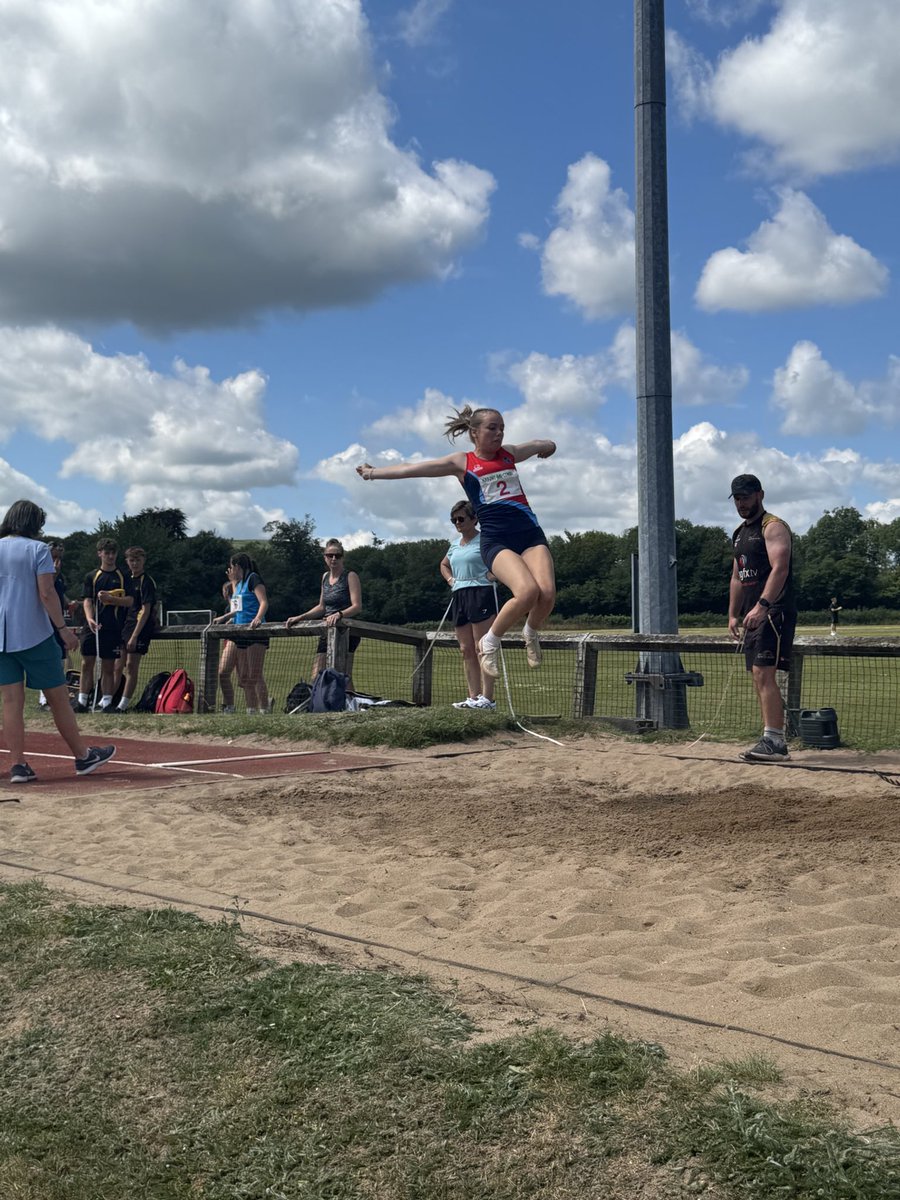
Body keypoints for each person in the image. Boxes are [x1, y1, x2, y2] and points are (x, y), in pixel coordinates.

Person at [357, 405, 556, 678]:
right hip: (497, 540)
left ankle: (530, 632)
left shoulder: (508, 454)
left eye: (502, 428)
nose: (499, 434)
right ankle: (489, 642)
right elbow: (412, 469)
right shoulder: (462, 462)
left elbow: (535, 444)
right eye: (492, 428)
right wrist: (372, 473)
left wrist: (549, 445)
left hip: (530, 534)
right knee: (527, 592)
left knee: (547, 594)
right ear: (474, 433)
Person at [0, 499, 115, 782]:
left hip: (1, 638)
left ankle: (18, 765)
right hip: (33, 634)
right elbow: (47, 593)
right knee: (59, 699)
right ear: (34, 523)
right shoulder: (38, 549)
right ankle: (82, 755)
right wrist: (63, 629)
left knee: (11, 702)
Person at [728, 474, 797, 763]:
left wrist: (764, 605)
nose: (742, 503)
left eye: (746, 496)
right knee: (757, 675)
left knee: (764, 673)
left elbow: (780, 567)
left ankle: (775, 742)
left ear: (760, 494)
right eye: (738, 498)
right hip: (753, 615)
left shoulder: (774, 527)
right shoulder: (739, 533)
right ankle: (769, 736)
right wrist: (733, 613)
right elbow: (737, 576)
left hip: (774, 611)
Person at [439, 500, 498, 710]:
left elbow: (504, 559)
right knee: (466, 649)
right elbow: (444, 564)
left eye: (461, 518)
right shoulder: (455, 544)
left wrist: (493, 574)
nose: (457, 523)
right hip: (459, 594)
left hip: (481, 592)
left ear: (474, 519)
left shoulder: (485, 540)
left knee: (482, 646)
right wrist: (450, 580)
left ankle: (488, 698)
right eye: (453, 519)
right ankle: (472, 696)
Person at [286, 539, 362, 687]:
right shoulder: (325, 577)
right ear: (325, 557)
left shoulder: (350, 576)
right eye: (330, 555)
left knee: (343, 674)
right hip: (327, 630)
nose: (334, 558)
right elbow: (322, 607)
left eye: (337, 555)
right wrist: (300, 617)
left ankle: (349, 707)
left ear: (342, 557)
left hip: (346, 630)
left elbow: (357, 606)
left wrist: (339, 614)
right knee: (317, 674)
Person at [212, 554, 270, 713]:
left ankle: (264, 709)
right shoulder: (238, 584)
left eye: (232, 567)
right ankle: (251, 711)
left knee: (254, 675)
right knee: (245, 677)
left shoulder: (253, 579)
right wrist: (224, 618)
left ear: (238, 567)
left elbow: (263, 602)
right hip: (240, 632)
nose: (230, 571)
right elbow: (236, 609)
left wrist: (258, 618)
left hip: (255, 632)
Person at [76, 538, 128, 711]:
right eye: (107, 553)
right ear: (100, 554)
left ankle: (106, 702)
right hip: (92, 627)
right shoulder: (91, 576)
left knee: (108, 666)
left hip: (112, 627)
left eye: (113, 553)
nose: (110, 556)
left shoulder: (122, 576)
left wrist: (111, 599)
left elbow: (130, 601)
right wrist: (90, 619)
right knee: (86, 663)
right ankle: (82, 701)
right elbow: (87, 600)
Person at [109, 547, 159, 712]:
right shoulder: (126, 580)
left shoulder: (147, 581)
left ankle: (123, 705)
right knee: (117, 666)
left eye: (137, 560)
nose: (135, 563)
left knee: (131, 666)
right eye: (132, 560)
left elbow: (146, 610)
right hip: (125, 626)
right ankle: (109, 701)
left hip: (140, 627)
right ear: (127, 562)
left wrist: (135, 635)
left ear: (143, 560)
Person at [214, 574, 239, 712]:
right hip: (228, 641)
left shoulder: (234, 604)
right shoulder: (227, 607)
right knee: (230, 675)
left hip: (235, 640)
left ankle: (263, 704)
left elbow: (237, 614)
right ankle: (229, 706)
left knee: (244, 679)